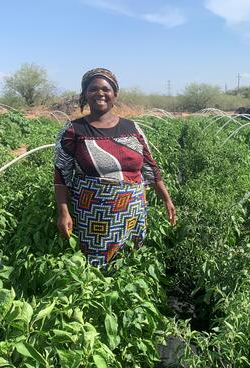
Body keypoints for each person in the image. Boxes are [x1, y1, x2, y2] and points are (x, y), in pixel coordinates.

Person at [54, 68, 176, 266]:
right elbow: (61, 174)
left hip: (132, 213)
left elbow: (149, 168)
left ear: (115, 94)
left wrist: (167, 199)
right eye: (93, 89)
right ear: (85, 94)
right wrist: (63, 212)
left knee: (130, 264)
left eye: (106, 89)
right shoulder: (73, 131)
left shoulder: (133, 129)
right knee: (93, 269)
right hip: (93, 216)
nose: (100, 93)